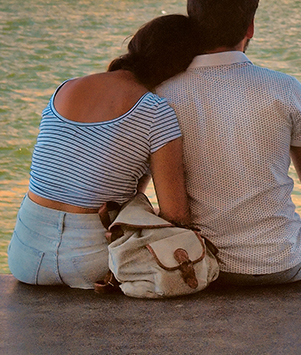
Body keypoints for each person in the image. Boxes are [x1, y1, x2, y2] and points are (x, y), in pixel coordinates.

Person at [158, 0, 301, 286]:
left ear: (193, 20)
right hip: (281, 261)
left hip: (205, 267)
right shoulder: (285, 88)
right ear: (250, 26)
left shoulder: (163, 93)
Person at [7, 15, 195, 289]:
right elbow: (176, 215)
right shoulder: (155, 110)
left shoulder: (66, 88)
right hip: (93, 263)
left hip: (24, 255)